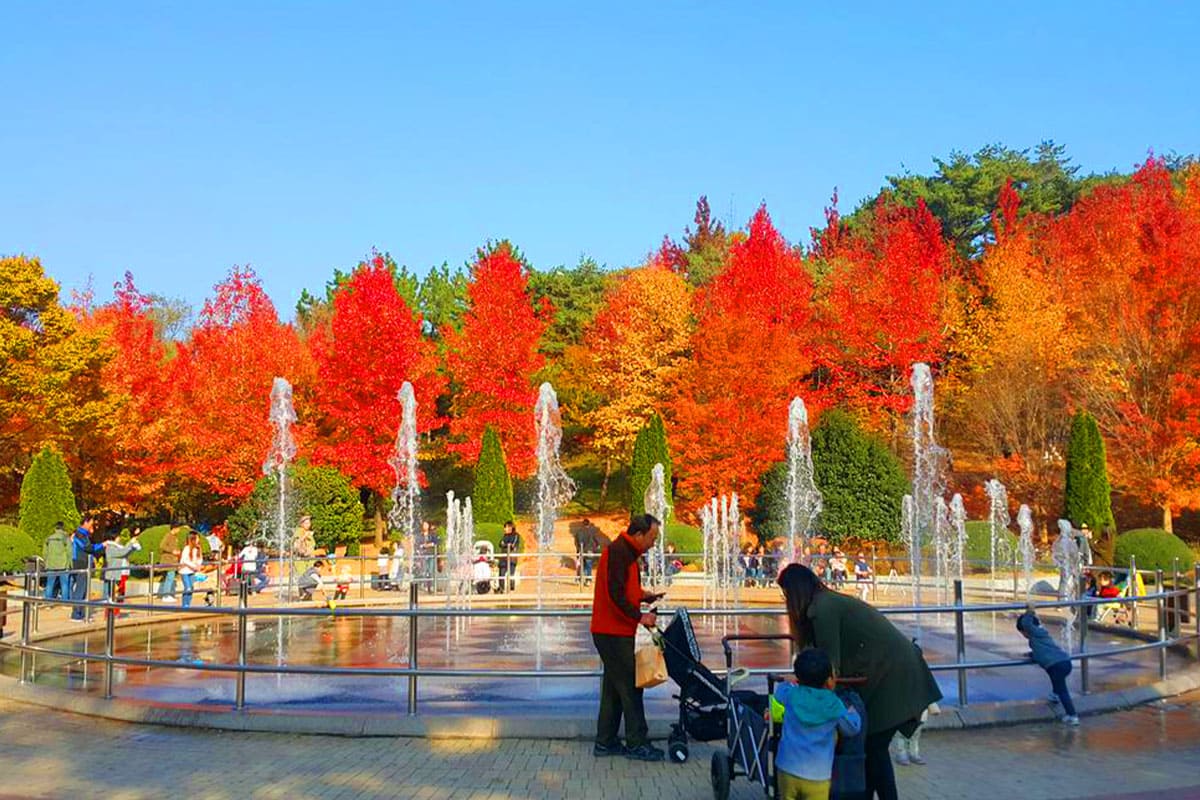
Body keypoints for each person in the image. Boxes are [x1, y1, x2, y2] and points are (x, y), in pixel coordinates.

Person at [778, 564, 942, 800]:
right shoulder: (825, 602)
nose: (787, 601)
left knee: (873, 747)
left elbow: (829, 668)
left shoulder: (823, 608)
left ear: (795, 591)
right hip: (891, 671)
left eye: (786, 594)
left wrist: (812, 698)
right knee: (873, 748)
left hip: (894, 675)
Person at [590, 514, 666, 762]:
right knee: (631, 688)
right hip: (612, 631)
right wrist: (640, 616)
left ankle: (606, 741)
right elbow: (614, 595)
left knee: (614, 688)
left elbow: (622, 590)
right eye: (652, 538)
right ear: (639, 535)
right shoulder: (620, 552)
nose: (654, 543)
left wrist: (644, 596)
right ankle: (637, 743)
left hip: (612, 630)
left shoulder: (626, 553)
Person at [772, 648, 862, 800]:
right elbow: (852, 728)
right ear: (829, 680)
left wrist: (790, 682)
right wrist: (852, 711)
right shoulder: (833, 704)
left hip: (787, 767)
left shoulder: (791, 694)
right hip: (817, 775)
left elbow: (779, 692)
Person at [1016, 606, 1079, 726]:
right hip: (1063, 662)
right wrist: (1031, 654)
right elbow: (1043, 652)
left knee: (1062, 690)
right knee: (1055, 680)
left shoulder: (1034, 632)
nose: (1023, 635)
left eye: (1022, 632)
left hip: (1056, 665)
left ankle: (1072, 715)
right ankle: (1054, 696)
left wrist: (1029, 611)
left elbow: (1026, 623)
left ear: (1026, 630)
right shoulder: (1040, 635)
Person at [69, 517, 102, 621]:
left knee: (83, 589)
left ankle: (81, 613)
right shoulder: (79, 534)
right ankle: (76, 614)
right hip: (81, 564)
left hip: (84, 563)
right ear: (85, 522)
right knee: (80, 588)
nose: (91, 527)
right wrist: (101, 545)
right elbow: (87, 548)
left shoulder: (84, 535)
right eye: (90, 524)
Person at [102, 530, 142, 609]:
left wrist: (132, 547)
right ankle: (110, 615)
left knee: (119, 595)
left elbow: (125, 552)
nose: (119, 538)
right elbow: (122, 552)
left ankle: (116, 612)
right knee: (113, 596)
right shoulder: (110, 548)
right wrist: (131, 543)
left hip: (119, 574)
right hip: (113, 575)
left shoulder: (117, 546)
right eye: (118, 537)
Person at [42, 522, 71, 601]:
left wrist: (46, 561)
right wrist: (70, 564)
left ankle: (48, 602)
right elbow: (69, 551)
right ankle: (65, 602)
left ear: (55, 528)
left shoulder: (49, 538)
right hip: (63, 564)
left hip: (51, 564)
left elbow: (45, 552)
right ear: (63, 528)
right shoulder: (65, 538)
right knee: (64, 584)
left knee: (50, 584)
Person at [157, 522, 185, 602]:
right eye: (179, 528)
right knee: (170, 577)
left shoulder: (174, 536)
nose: (179, 530)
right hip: (169, 560)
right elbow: (162, 546)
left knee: (170, 577)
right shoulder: (168, 535)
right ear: (175, 528)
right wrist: (172, 551)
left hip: (173, 559)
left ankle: (167, 594)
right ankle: (166, 595)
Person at [179, 532, 205, 609]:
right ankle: (184, 605)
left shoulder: (197, 548)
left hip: (192, 571)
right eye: (196, 538)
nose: (198, 540)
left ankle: (188, 604)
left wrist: (198, 565)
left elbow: (199, 558)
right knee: (188, 588)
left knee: (191, 588)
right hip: (185, 572)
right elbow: (184, 560)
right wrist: (194, 566)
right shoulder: (186, 548)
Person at [498, 521, 521, 593]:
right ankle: (501, 589)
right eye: (505, 527)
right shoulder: (504, 536)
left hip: (512, 558)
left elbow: (512, 545)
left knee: (511, 573)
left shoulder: (516, 535)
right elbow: (500, 543)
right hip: (503, 558)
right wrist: (506, 545)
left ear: (511, 527)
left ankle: (511, 589)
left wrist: (505, 545)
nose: (505, 529)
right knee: (501, 573)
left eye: (506, 527)